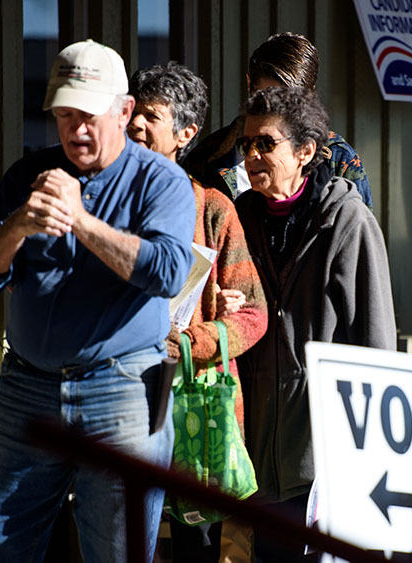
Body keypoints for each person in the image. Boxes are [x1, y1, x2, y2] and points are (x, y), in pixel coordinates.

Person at [0, 39, 195, 561]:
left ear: (124, 111)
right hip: (28, 388)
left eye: (89, 116)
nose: (76, 129)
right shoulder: (28, 177)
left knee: (117, 552)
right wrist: (18, 226)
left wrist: (80, 220)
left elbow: (168, 272)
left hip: (121, 391)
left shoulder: (161, 181)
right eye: (65, 115)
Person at [233, 85, 395, 562]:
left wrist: (368, 455)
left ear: (305, 151)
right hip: (257, 448)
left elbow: (376, 343)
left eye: (266, 143)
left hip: (324, 454)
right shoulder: (241, 217)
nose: (252, 156)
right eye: (246, 144)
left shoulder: (346, 221)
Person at [128, 61, 269, 563]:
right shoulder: (103, 202)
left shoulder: (212, 208)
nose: (135, 124)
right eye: (132, 112)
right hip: (119, 396)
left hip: (195, 406)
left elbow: (253, 314)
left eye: (151, 116)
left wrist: (192, 340)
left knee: (197, 542)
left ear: (185, 134)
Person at [184, 32, 372, 207]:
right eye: (265, 99)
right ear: (249, 85)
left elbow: (357, 227)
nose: (275, 112)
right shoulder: (207, 158)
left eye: (289, 103)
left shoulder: (337, 158)